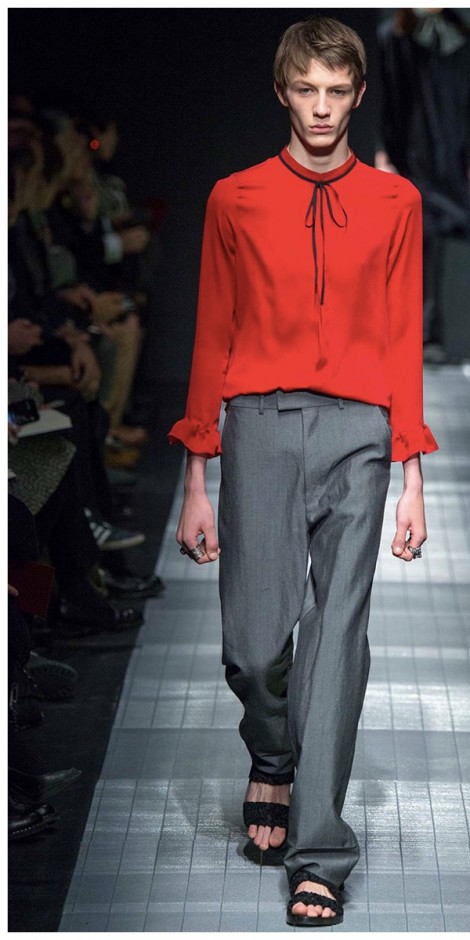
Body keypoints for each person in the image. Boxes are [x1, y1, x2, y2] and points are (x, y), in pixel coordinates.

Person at [168, 15, 438, 929]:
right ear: (282, 92)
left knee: (336, 639)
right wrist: (197, 474)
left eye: (336, 91)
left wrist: (412, 471)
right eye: (306, 90)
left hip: (360, 429)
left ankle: (320, 853)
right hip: (260, 427)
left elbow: (403, 334)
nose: (321, 108)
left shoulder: (396, 203)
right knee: (253, 647)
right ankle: (273, 757)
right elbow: (212, 329)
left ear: (357, 96)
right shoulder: (234, 198)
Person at [375, 8, 470, 364]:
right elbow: (387, 99)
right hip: (412, 154)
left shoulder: (460, 39)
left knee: (438, 235)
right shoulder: (395, 37)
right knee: (420, 237)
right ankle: (423, 334)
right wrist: (384, 153)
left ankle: (428, 333)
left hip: (453, 154)